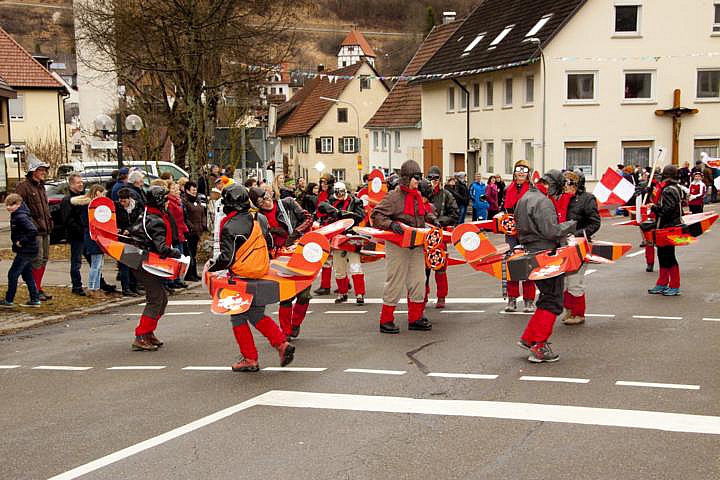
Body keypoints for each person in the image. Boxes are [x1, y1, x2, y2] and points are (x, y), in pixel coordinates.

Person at [209, 184, 295, 371]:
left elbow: (227, 258)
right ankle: (281, 343)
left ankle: (250, 358)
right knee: (257, 314)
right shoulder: (258, 218)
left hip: (240, 277)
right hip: (260, 273)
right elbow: (269, 242)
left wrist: (211, 268)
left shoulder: (229, 226)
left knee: (237, 317)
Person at [515, 170, 577, 363]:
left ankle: (529, 337)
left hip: (531, 252)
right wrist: (571, 225)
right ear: (553, 185)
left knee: (546, 297)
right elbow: (551, 231)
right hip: (546, 254)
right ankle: (539, 345)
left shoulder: (525, 197)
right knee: (553, 299)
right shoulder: (543, 202)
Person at [371, 160, 437, 334]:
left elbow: (422, 213)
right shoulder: (393, 197)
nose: (418, 181)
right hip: (397, 244)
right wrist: (391, 224)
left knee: (418, 280)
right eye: (416, 177)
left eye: (420, 177)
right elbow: (376, 216)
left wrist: (433, 220)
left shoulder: (416, 195)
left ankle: (415, 318)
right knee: (395, 280)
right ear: (406, 178)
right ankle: (386, 320)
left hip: (416, 243)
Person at [249, 186, 313, 339]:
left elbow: (308, 218)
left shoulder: (288, 203)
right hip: (278, 257)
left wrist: (296, 232)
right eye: (261, 202)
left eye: (266, 197)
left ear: (270, 194)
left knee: (304, 294)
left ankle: (295, 323)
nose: (266, 202)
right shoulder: (258, 218)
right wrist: (270, 235)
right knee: (285, 295)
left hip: (298, 252)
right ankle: (286, 331)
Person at [128, 186, 182, 351]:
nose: (167, 203)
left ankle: (148, 332)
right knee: (156, 299)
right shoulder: (156, 220)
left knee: (161, 298)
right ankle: (141, 335)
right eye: (165, 200)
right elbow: (161, 248)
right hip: (145, 263)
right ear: (159, 201)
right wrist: (176, 253)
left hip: (139, 260)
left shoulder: (146, 214)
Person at [559, 170, 601, 325]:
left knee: (575, 281)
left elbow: (595, 223)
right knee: (564, 281)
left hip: (579, 245)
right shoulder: (562, 198)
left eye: (569, 183)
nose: (566, 186)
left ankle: (578, 313)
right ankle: (569, 310)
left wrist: (576, 234)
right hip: (562, 245)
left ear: (578, 184)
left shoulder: (587, 199)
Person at [317, 181, 367, 304]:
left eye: (342, 192)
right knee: (339, 268)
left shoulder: (355, 201)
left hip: (351, 237)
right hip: (337, 238)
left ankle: (360, 294)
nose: (340, 195)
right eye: (337, 192)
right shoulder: (331, 201)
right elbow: (321, 206)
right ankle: (342, 292)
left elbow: (360, 216)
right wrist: (333, 211)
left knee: (355, 266)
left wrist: (344, 215)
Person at [15, 155, 53, 301]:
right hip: (33, 231)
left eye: (44, 170)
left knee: (44, 259)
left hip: (45, 229)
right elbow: (18, 207)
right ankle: (34, 289)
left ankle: (38, 287)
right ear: (33, 171)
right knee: (36, 259)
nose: (44, 172)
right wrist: (29, 225)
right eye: (41, 170)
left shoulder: (41, 187)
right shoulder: (23, 187)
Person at [503, 160, 536, 312]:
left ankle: (529, 300)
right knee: (512, 264)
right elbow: (505, 209)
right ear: (514, 172)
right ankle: (512, 299)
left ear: (528, 173)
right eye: (518, 169)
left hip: (528, 231)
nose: (521, 173)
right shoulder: (509, 189)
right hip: (511, 232)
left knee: (528, 264)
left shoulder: (533, 190)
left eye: (524, 170)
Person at [425, 166, 458, 309]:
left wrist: (440, 221)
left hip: (439, 234)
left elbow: (454, 214)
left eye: (436, 178)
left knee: (440, 267)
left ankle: (441, 296)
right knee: (423, 269)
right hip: (424, 234)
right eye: (430, 177)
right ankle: (422, 295)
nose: (433, 180)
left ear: (440, 179)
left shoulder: (446, 195)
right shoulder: (422, 193)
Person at [648, 165, 684, 296]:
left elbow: (666, 210)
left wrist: (654, 208)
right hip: (669, 226)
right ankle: (662, 282)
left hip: (667, 227)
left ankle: (674, 285)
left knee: (668, 256)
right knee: (663, 256)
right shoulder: (675, 188)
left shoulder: (668, 190)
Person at [1, 194, 41, 308]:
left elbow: (33, 231)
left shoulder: (20, 216)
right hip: (27, 249)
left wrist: (21, 242)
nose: (8, 207)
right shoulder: (17, 214)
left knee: (13, 274)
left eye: (11, 205)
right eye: (7, 205)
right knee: (27, 274)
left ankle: (9, 300)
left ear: (18, 204)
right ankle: (35, 298)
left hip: (26, 250)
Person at [78, 185, 108, 299]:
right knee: (95, 264)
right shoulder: (88, 206)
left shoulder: (97, 206)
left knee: (99, 264)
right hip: (93, 236)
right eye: (102, 193)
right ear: (97, 193)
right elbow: (86, 221)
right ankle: (92, 287)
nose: (104, 196)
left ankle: (97, 287)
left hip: (99, 236)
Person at [61, 173, 88, 296]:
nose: (81, 184)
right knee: (76, 261)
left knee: (94, 260)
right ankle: (76, 286)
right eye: (78, 183)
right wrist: (80, 230)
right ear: (71, 185)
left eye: (81, 182)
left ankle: (100, 283)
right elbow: (67, 219)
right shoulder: (68, 200)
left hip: (86, 234)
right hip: (77, 235)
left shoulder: (84, 197)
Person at [115, 188, 142, 296]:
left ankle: (134, 286)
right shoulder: (117, 207)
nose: (122, 203)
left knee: (134, 263)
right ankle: (126, 288)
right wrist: (118, 229)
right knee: (124, 265)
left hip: (134, 238)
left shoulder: (137, 207)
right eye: (121, 201)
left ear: (129, 199)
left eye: (124, 201)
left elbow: (140, 221)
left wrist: (130, 229)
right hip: (122, 238)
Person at [314, 173, 335, 295]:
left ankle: (326, 285)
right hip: (324, 225)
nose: (323, 185)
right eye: (322, 182)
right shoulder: (322, 194)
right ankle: (341, 283)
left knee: (330, 257)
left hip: (331, 226)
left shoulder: (332, 195)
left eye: (325, 183)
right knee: (328, 256)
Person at [182, 181, 206, 282]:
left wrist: (203, 224)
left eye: (195, 190)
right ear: (187, 191)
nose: (195, 192)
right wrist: (191, 227)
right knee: (190, 253)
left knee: (194, 254)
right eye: (193, 190)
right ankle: (189, 274)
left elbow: (202, 213)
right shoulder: (185, 202)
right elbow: (186, 217)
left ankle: (194, 273)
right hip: (190, 232)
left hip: (198, 231)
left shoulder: (198, 200)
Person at [167, 180, 189, 289]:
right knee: (175, 256)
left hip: (180, 231)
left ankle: (178, 278)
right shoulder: (170, 203)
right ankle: (173, 279)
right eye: (173, 189)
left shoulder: (178, 201)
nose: (176, 191)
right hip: (175, 232)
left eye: (177, 189)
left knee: (180, 256)